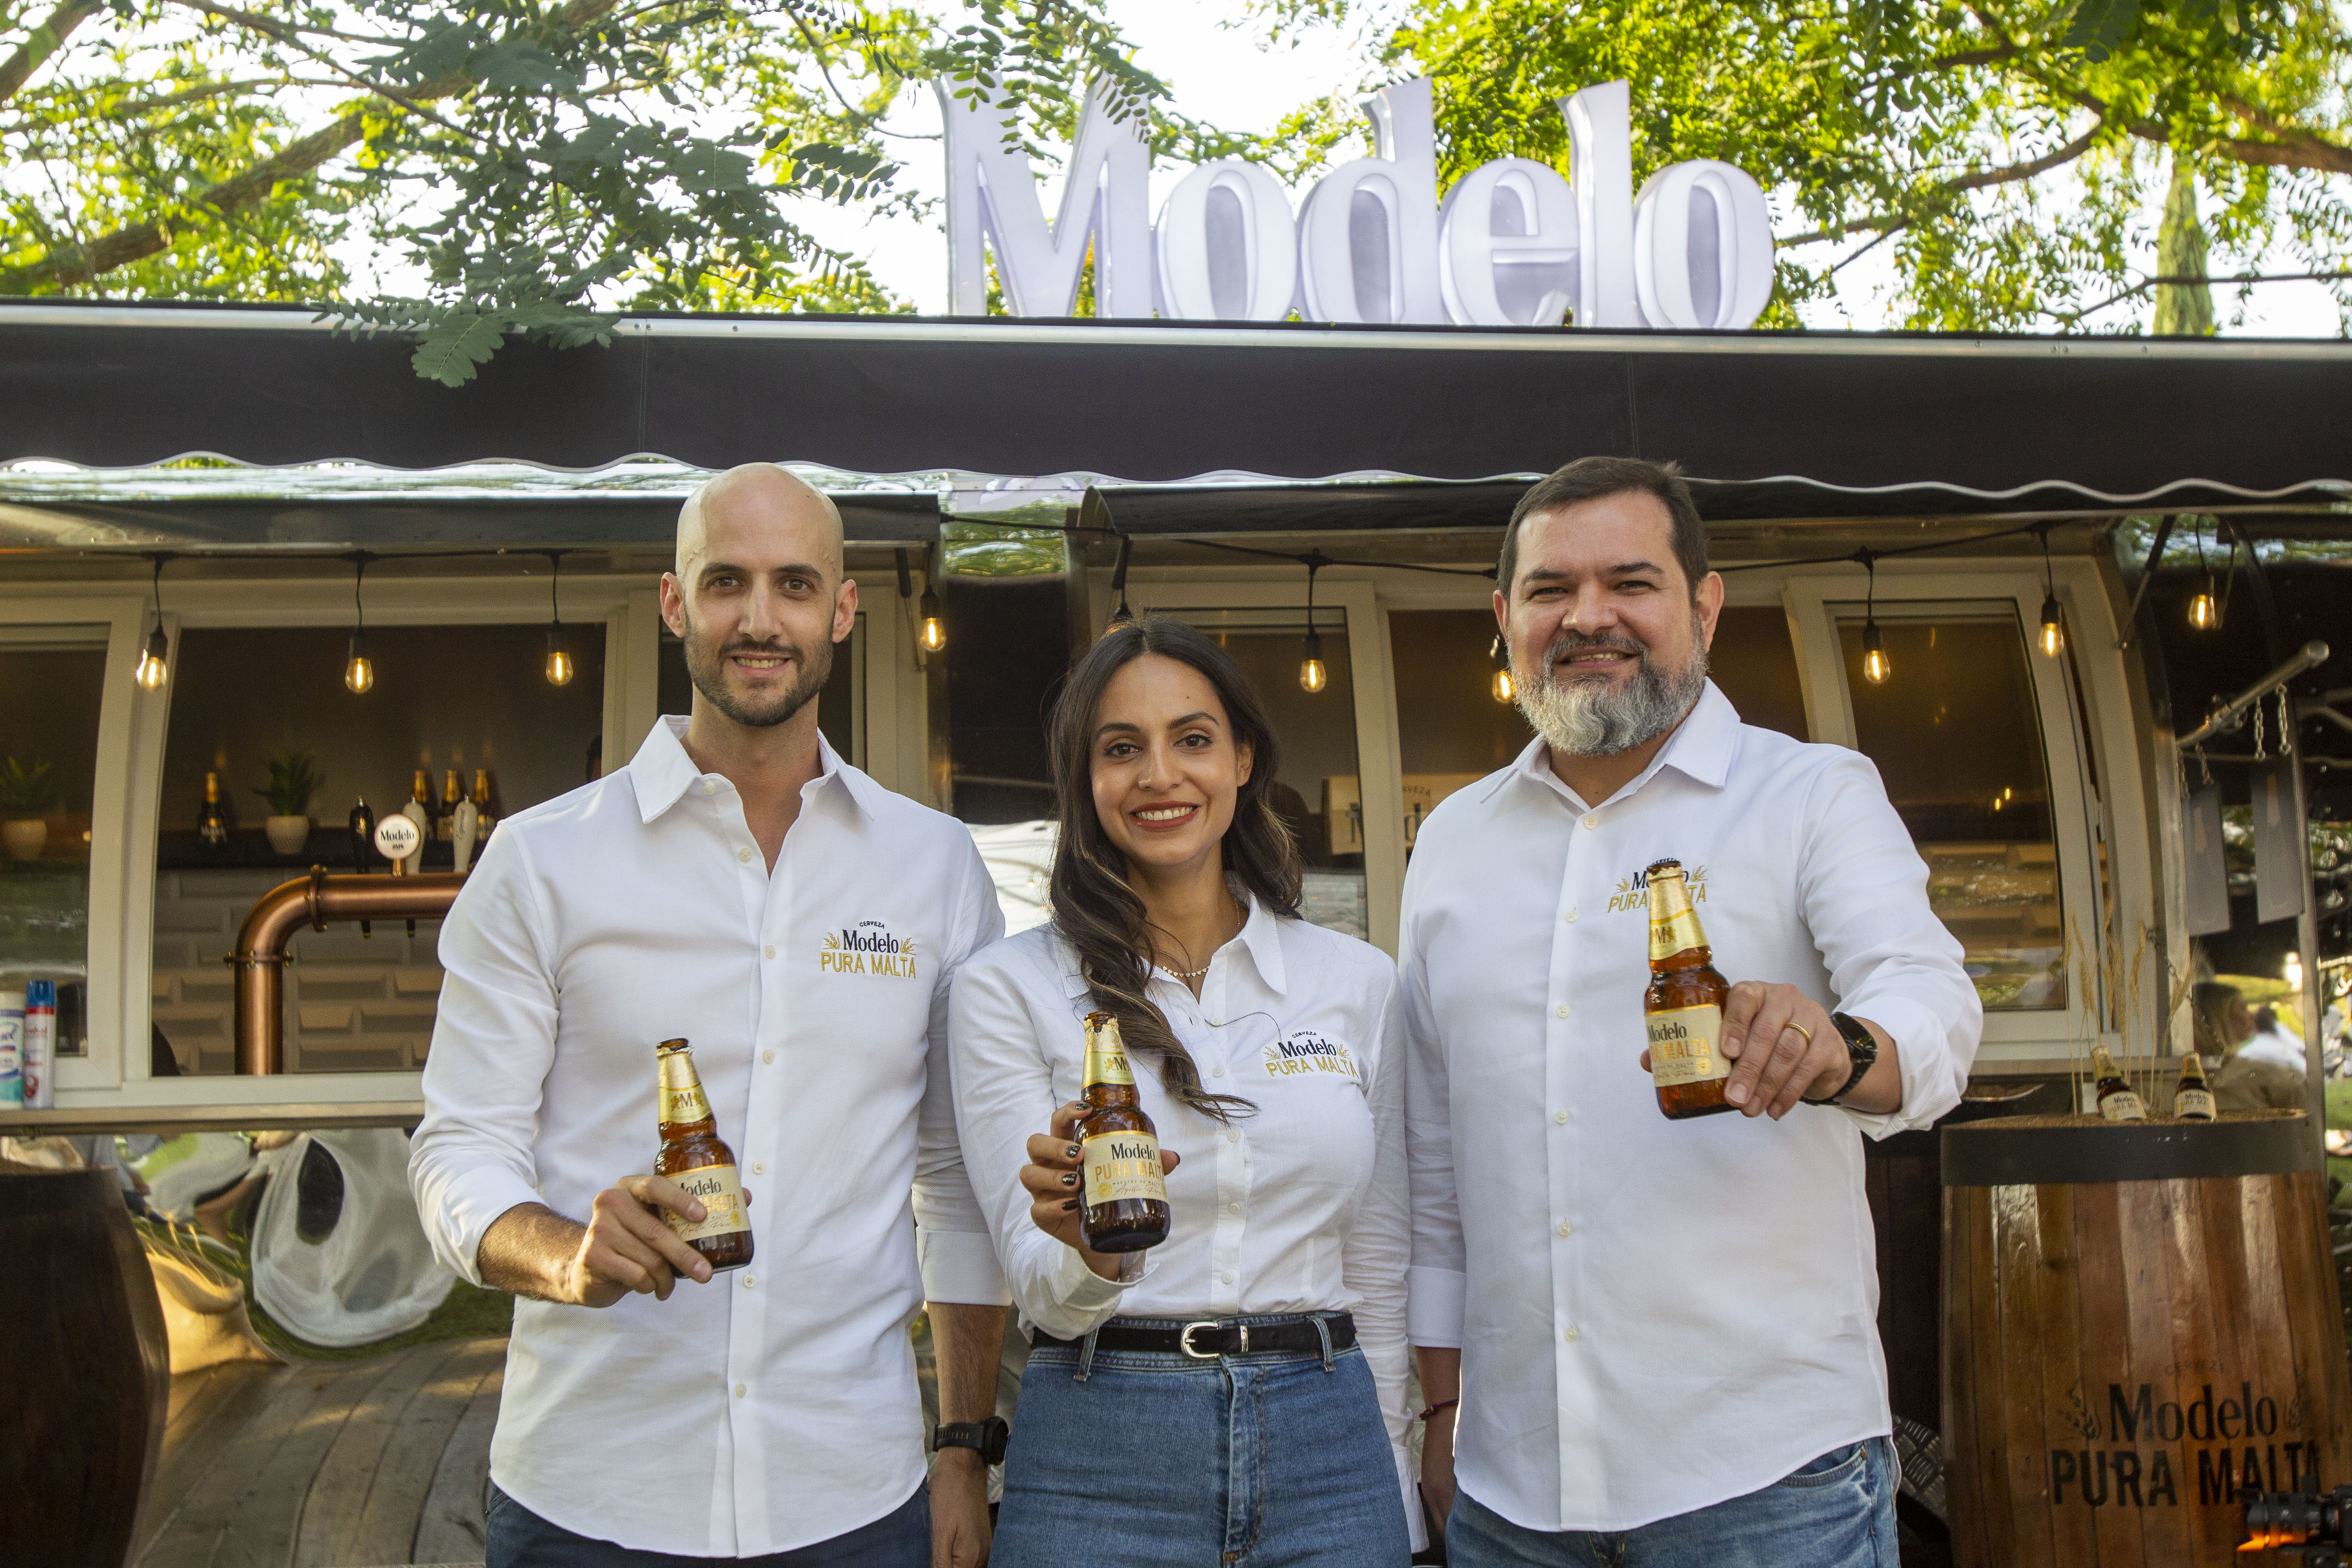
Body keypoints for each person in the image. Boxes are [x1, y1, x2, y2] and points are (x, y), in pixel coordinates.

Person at [410, 465, 1012, 1568]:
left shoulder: (932, 866)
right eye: (725, 580)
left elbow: (954, 1177)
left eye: (793, 583)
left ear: (841, 611)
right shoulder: (541, 860)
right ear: (674, 602)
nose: (759, 617)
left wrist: (963, 1446)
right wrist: (564, 1255)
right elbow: (459, 1147)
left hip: (852, 1493)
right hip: (587, 1492)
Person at [1402, 456, 1983, 1567]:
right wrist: (1441, 1413)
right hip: (1510, 1490)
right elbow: (1435, 1158)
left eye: (1630, 581)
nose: (1587, 617)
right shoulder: (1453, 840)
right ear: (1503, 617)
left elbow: (1934, 1005)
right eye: (1547, 590)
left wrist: (1836, 1043)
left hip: (1768, 1480)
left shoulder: (1812, 792)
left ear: (1702, 606)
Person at [949, 615, 1417, 1568]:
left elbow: (1378, 1255)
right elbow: (1041, 1288)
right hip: (1098, 1439)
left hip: (1329, 1441)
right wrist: (1092, 1249)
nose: (1160, 775)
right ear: (1086, 781)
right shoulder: (1008, 989)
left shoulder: (1356, 981)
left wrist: (1396, 1477)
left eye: (1193, 740)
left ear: (1243, 760)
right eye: (1122, 749)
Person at [2199, 980, 2305, 1113]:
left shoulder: (2243, 1066)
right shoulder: (2247, 1071)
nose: (2252, 1016)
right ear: (2221, 1016)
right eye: (2243, 1008)